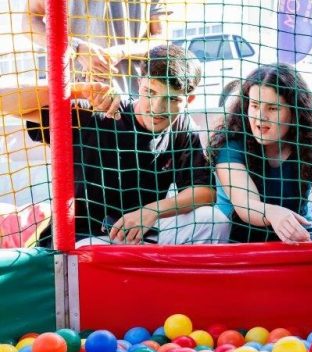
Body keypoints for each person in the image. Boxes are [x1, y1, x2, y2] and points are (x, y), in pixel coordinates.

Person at [0, 44, 229, 247]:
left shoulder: (182, 127)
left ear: (189, 100)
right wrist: (79, 90)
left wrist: (151, 211)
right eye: (150, 92)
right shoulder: (98, 111)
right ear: (139, 84)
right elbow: (4, 99)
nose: (157, 108)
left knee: (213, 221)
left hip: (142, 236)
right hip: (87, 240)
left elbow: (205, 191)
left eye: (172, 99)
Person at [210, 64, 312, 244]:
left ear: (295, 112)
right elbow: (246, 205)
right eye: (254, 106)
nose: (260, 117)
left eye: (272, 108)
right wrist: (274, 213)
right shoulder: (231, 145)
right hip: (237, 240)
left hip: (297, 235)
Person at [24, 0, 169, 95]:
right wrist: (75, 47)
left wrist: (121, 52)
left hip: (134, 97)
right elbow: (29, 21)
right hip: (76, 96)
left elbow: (162, 39)